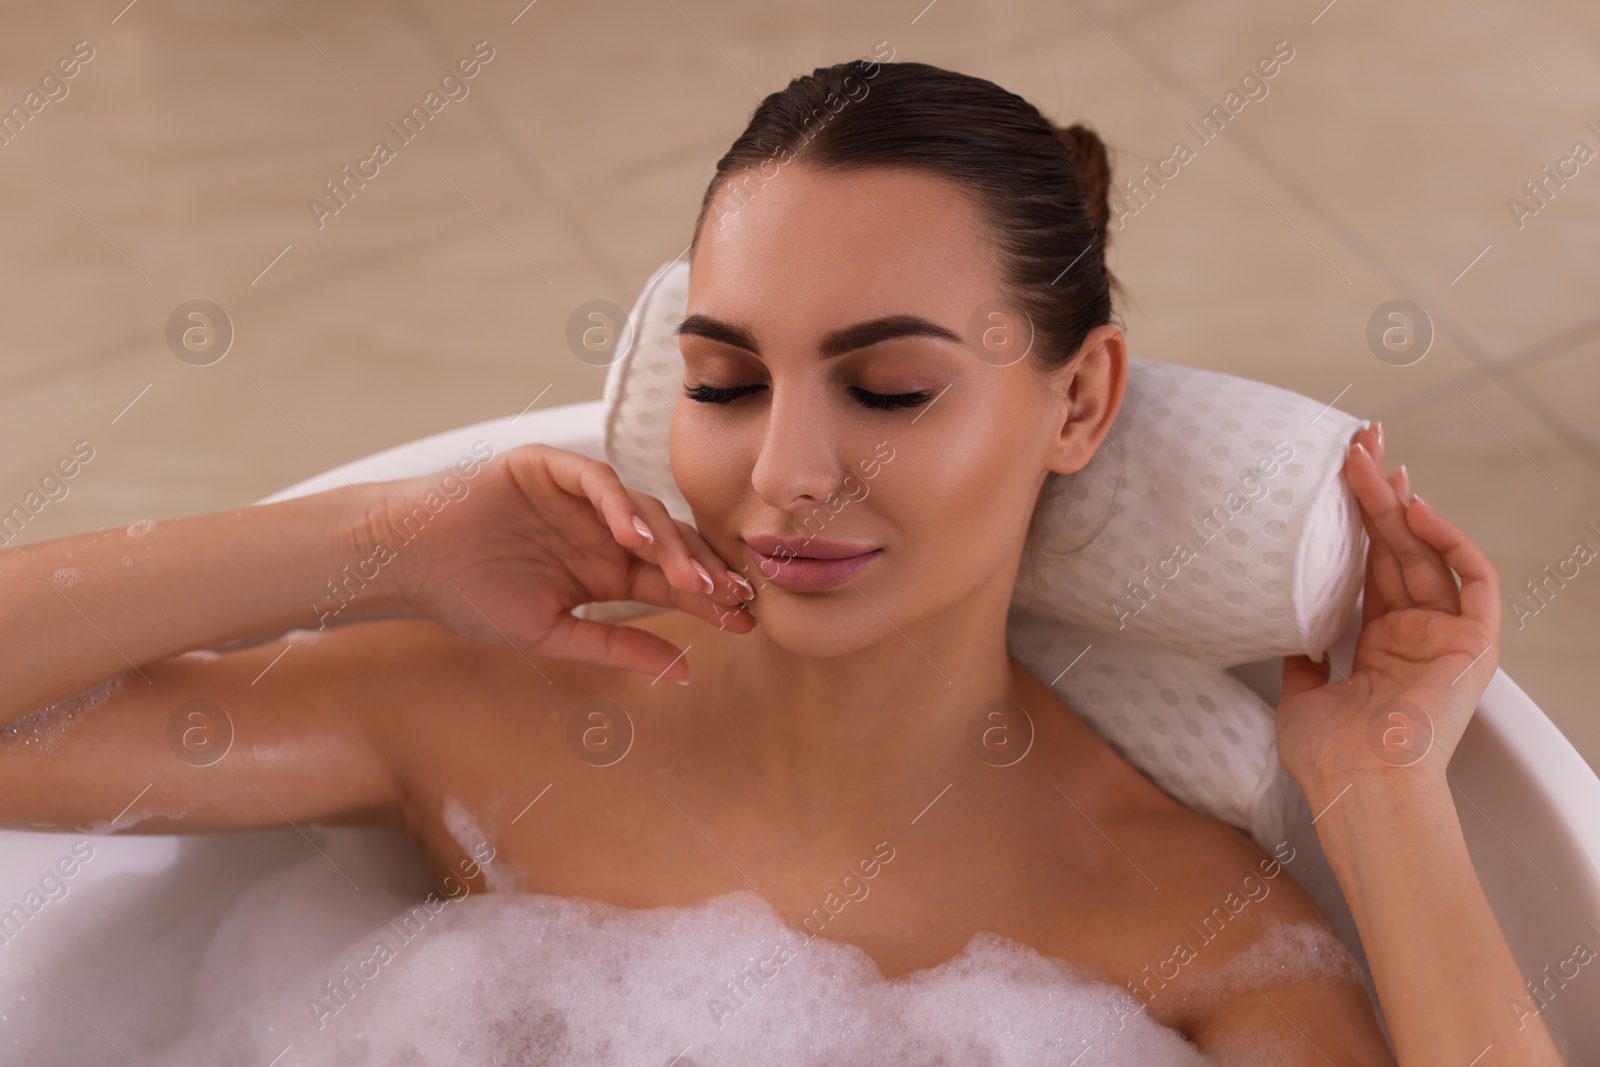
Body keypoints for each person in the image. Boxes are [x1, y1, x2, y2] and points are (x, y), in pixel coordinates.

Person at [0, 59, 1561, 1065]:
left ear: (1077, 400)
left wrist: (1381, 779)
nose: (786, 474)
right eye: (726, 383)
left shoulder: (1182, 925)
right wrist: (377, 544)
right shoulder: (487, 715)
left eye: (888, 390)